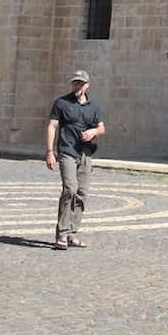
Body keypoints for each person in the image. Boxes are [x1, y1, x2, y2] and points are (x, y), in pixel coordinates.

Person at [46, 69, 105, 250]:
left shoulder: (94, 107)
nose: (78, 86)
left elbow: (102, 128)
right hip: (67, 151)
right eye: (75, 83)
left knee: (82, 194)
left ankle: (72, 232)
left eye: (81, 83)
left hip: (86, 154)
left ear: (87, 85)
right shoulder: (61, 103)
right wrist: (50, 151)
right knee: (70, 189)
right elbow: (52, 126)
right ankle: (62, 234)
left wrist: (93, 132)